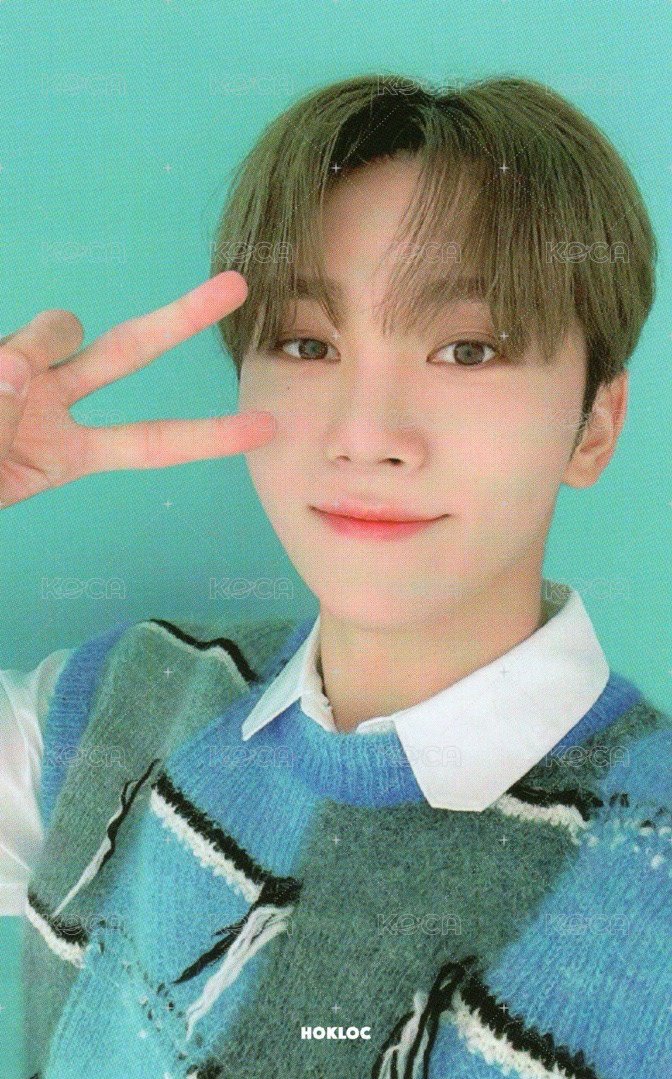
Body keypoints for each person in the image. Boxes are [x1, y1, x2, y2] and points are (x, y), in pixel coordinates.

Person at [1, 73, 670, 1079]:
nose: (365, 434)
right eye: (308, 343)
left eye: (468, 348)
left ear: (595, 424)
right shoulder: (122, 708)